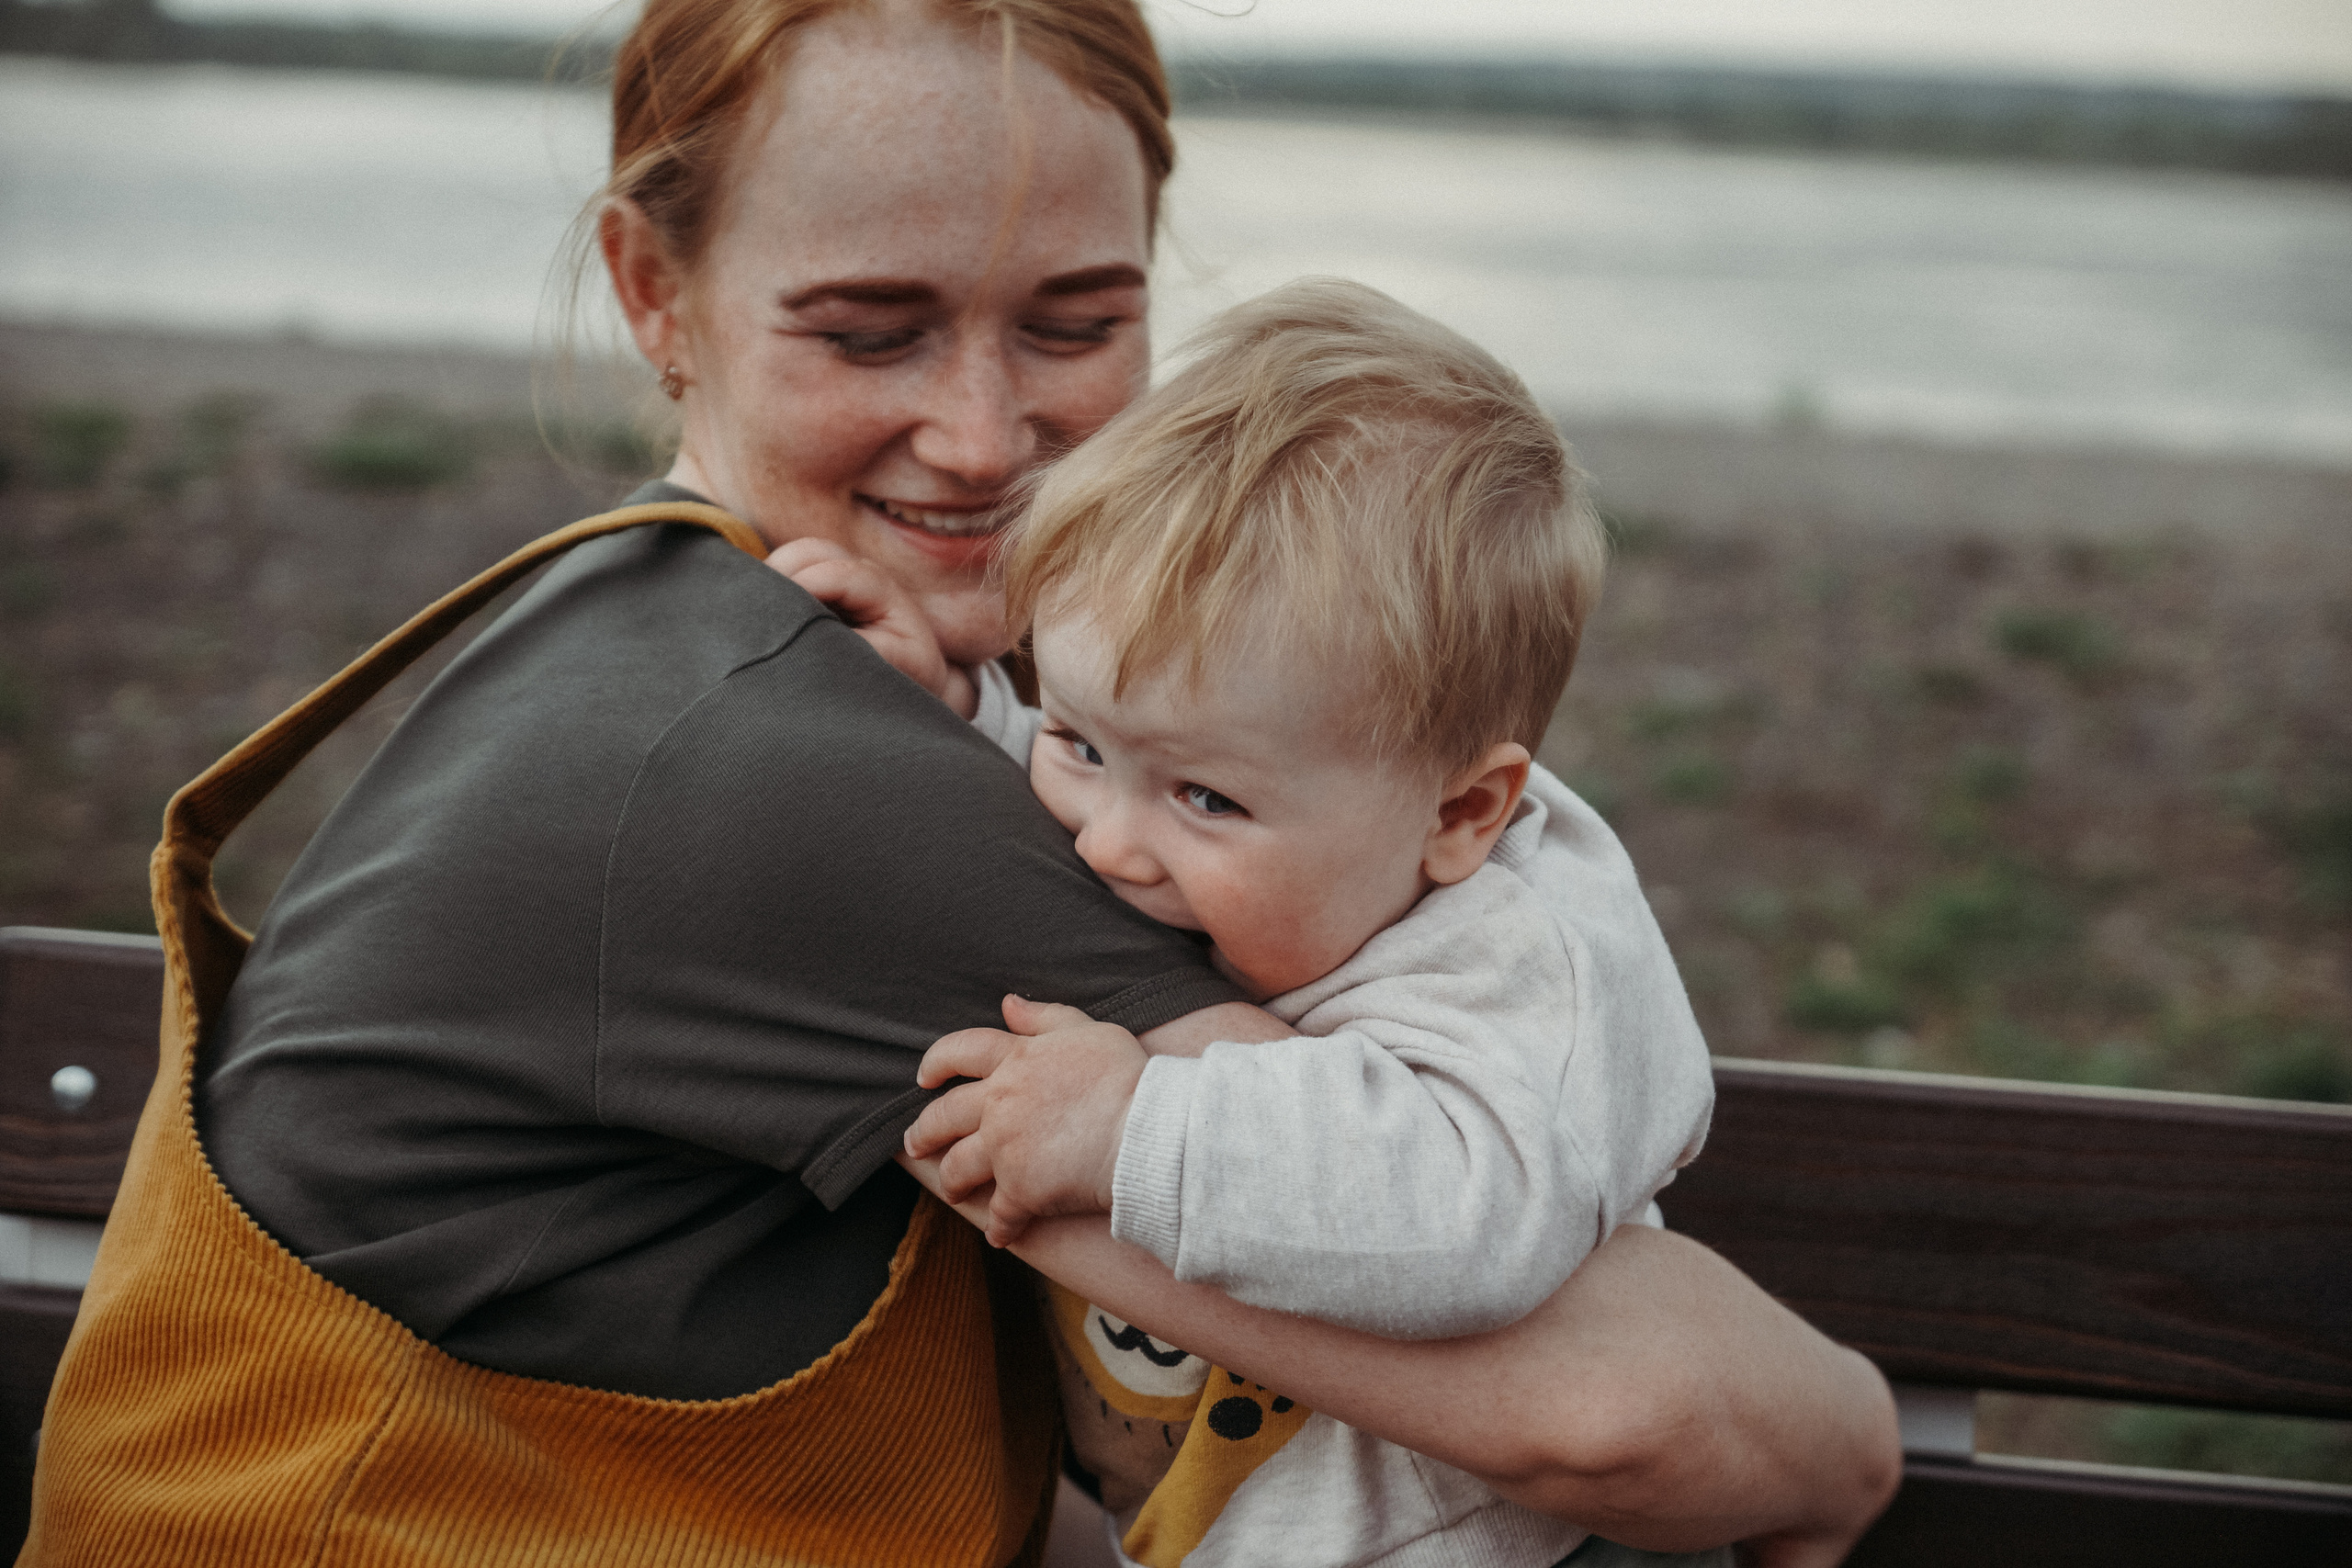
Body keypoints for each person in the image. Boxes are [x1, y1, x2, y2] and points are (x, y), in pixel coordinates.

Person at [20, 1, 1898, 1563]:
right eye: (870, 330)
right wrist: (1858, 1423)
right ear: (650, 291)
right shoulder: (767, 756)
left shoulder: (658, 628)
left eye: (1075, 324)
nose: (985, 434)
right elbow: (1633, 1407)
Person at [816, 275, 1714, 1566]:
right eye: (1075, 737)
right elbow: (1133, 749)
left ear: (1460, 812)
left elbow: (1470, 1213)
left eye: (1206, 796)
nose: (1109, 841)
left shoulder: (1532, 965)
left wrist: (1132, 1126)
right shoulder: (1269, 814)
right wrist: (959, 713)